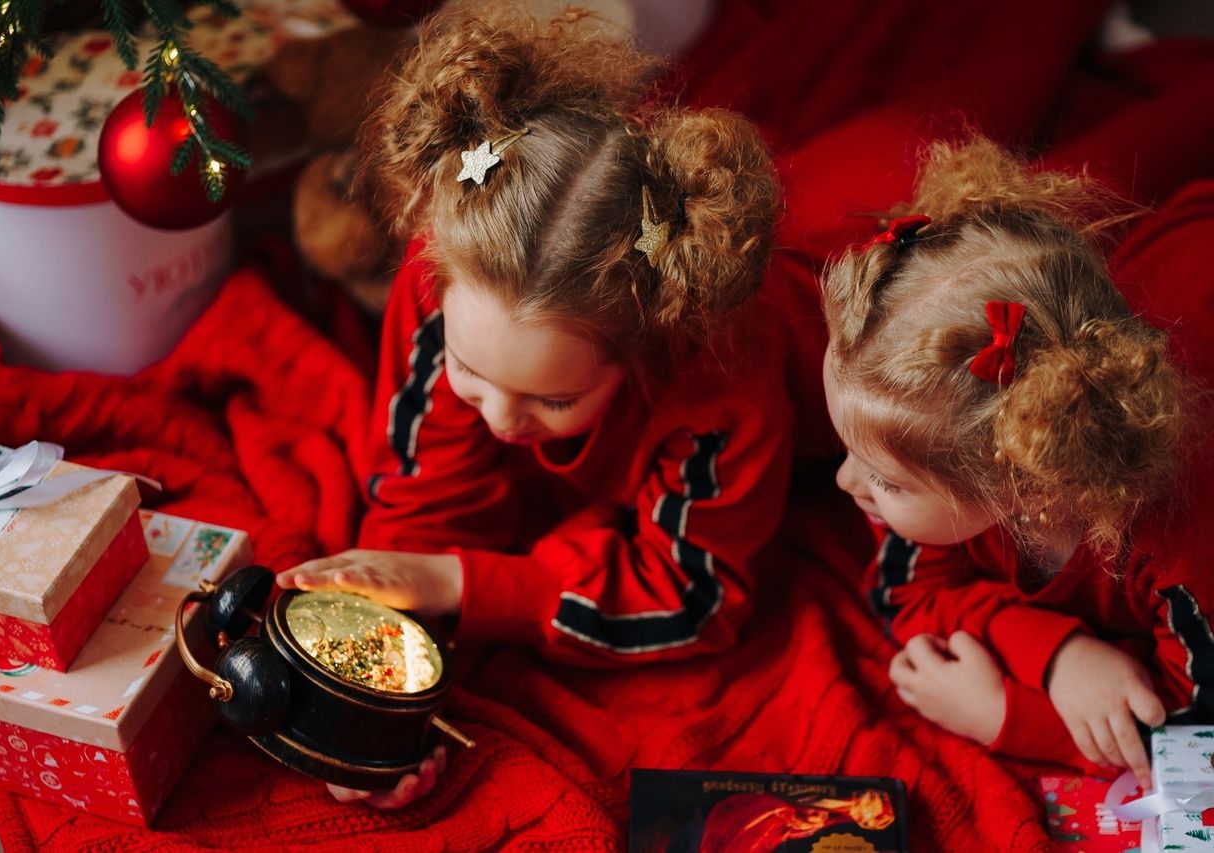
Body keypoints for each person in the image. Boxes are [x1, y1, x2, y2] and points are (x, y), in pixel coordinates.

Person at [276, 5, 793, 804]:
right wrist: (380, 696)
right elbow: (422, 500)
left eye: (553, 399)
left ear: (642, 351)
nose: (499, 420)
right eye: (469, 372)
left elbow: (695, 597)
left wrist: (461, 584)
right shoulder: (444, 277)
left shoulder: (720, 381)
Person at [819, 137, 1210, 791]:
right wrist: (1058, 654)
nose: (844, 482)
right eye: (848, 452)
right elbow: (912, 592)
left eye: (885, 479)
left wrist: (1005, 714)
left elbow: (1193, 725)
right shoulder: (949, 441)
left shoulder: (1179, 544)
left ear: (1025, 482)